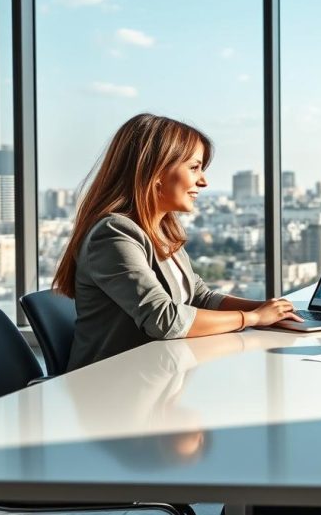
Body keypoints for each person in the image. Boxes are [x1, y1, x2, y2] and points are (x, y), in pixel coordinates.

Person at [55, 113, 302, 371]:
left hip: (155, 375)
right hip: (109, 387)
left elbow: (199, 297)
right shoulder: (113, 234)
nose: (204, 181)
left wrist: (272, 311)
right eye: (194, 168)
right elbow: (164, 319)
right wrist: (252, 318)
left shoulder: (162, 229)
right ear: (156, 170)